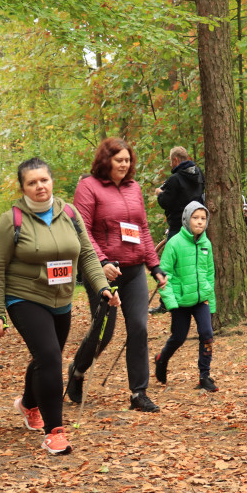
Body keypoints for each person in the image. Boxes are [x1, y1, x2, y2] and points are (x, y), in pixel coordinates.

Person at [0, 157, 119, 455]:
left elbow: (87, 255)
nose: (39, 187)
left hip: (61, 298)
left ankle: (28, 403)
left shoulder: (70, 214)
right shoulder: (10, 222)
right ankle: (55, 431)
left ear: (52, 181)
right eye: (32, 183)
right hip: (24, 297)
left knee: (46, 357)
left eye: (43, 180)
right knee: (50, 358)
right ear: (22, 187)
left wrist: (102, 287)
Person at [71, 137, 168, 412]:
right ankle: (77, 371)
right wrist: (100, 261)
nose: (125, 164)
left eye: (128, 160)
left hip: (135, 270)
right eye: (119, 160)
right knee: (104, 333)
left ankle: (139, 393)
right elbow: (84, 230)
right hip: (104, 273)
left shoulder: (134, 187)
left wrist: (155, 266)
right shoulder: (88, 187)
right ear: (106, 160)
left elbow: (143, 231)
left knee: (139, 327)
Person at [154, 201, 217, 392]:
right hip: (181, 302)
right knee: (178, 337)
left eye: (203, 218)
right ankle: (161, 358)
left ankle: (204, 376)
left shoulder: (206, 243)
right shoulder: (174, 243)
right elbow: (165, 275)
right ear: (186, 219)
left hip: (201, 300)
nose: (199, 222)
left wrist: (210, 300)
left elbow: (209, 273)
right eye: (195, 218)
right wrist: (171, 302)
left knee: (207, 335)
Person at [152, 146, 205, 314]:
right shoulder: (199, 174)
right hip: (196, 227)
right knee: (192, 265)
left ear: (175, 160)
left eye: (170, 161)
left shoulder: (175, 179)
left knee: (169, 266)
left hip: (177, 227)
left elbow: (166, 202)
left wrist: (160, 193)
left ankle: (166, 302)